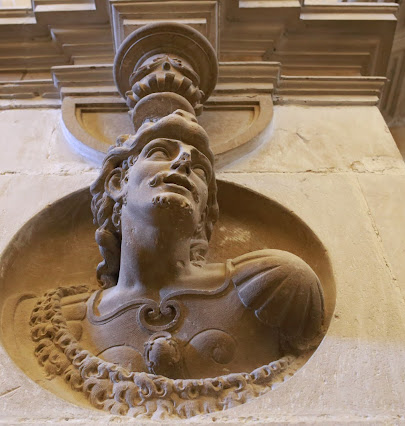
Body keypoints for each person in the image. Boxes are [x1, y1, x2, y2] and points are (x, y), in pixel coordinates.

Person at [54, 109, 324, 379]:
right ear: (117, 183)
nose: (183, 161)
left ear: (204, 211)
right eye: (159, 153)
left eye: (199, 170)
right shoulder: (64, 321)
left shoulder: (274, 283)